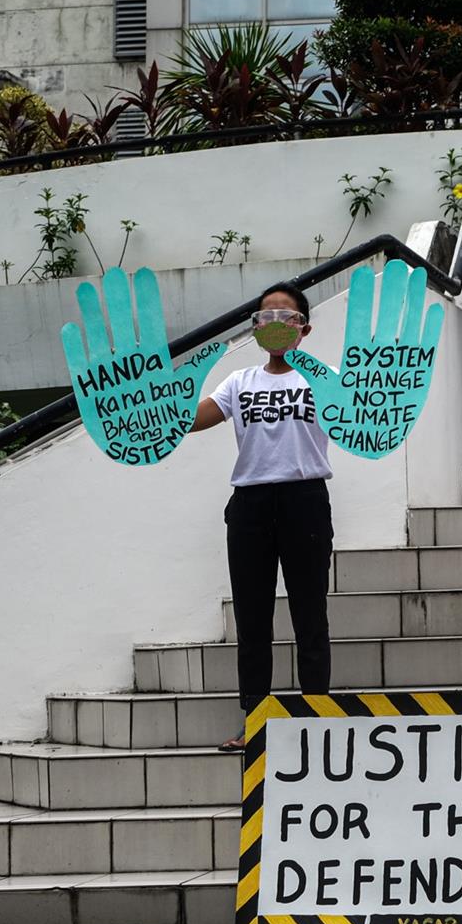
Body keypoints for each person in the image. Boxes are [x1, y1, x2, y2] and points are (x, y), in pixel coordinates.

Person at [190, 283, 334, 750]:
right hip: (250, 506)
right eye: (263, 316)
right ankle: (255, 717)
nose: (272, 323)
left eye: (283, 317)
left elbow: (363, 419)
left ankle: (315, 712)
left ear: (303, 328)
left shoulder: (324, 379)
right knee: (253, 618)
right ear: (253, 328)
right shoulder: (239, 382)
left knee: (309, 611)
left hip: (305, 500)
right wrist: (158, 397)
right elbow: (195, 418)